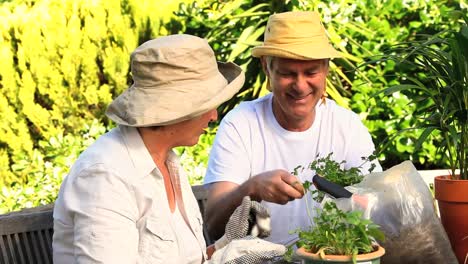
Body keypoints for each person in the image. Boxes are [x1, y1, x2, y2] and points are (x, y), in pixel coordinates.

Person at [52, 34, 246, 263]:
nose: (214, 116)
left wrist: (229, 246)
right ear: (177, 109)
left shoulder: (167, 161)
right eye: (208, 105)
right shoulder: (105, 176)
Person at [203, 11, 382, 246]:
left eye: (311, 72)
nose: (300, 86)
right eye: (287, 73)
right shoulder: (242, 124)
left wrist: (354, 198)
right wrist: (252, 188)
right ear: (267, 68)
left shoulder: (346, 127)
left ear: (326, 69)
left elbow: (379, 211)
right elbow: (213, 226)